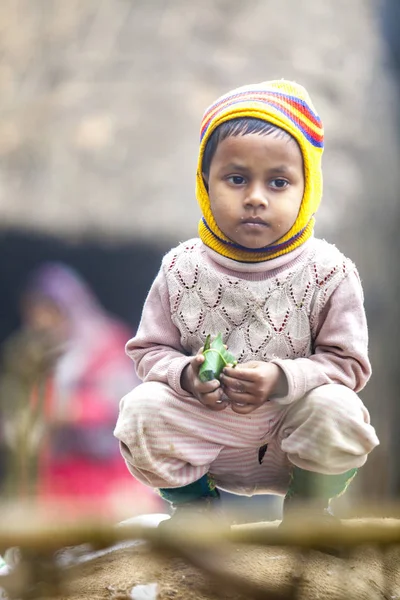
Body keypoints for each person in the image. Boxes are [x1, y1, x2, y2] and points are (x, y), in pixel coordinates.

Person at [114, 80, 379, 523]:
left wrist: (282, 377)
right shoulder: (180, 269)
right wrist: (186, 374)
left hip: (290, 439)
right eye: (236, 179)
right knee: (141, 409)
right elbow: (147, 352)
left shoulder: (330, 272)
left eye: (278, 182)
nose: (255, 197)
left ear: (307, 188)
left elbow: (349, 366)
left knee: (340, 410)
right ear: (205, 182)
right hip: (204, 433)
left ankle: (309, 510)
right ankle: (195, 511)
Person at [13, 262, 162, 514]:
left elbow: (131, 403)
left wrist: (75, 409)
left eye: (50, 312)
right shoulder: (33, 357)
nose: (42, 322)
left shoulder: (105, 344)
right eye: (35, 313)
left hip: (109, 477)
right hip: (57, 482)